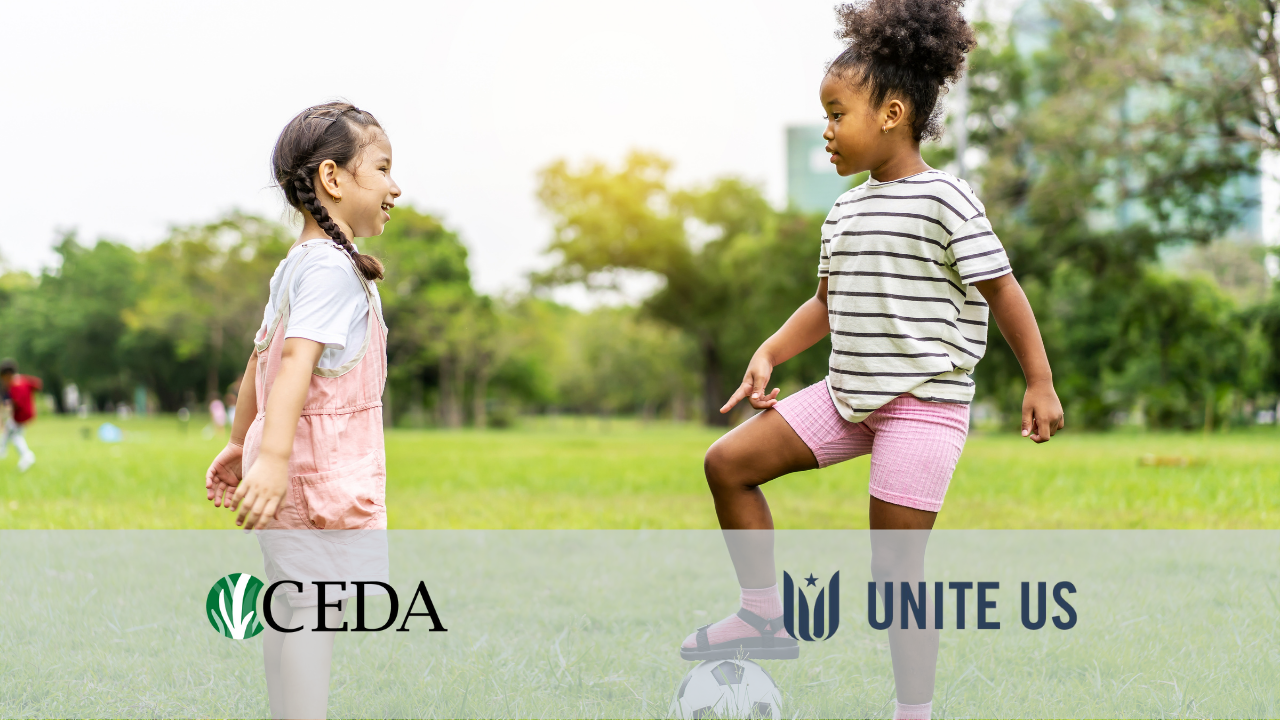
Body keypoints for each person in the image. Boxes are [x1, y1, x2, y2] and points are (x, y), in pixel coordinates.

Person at [678, 2, 1064, 718]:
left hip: (923, 406)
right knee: (726, 464)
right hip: (846, 396)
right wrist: (769, 350)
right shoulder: (844, 213)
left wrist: (1037, 381)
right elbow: (824, 303)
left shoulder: (947, 200)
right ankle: (763, 614)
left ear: (891, 112)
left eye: (835, 113)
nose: (826, 130)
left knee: (895, 571)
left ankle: (911, 712)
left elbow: (1003, 291)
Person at [203, 101, 400, 720]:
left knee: (290, 609)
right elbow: (290, 362)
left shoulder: (298, 264)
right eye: (384, 168)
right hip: (317, 471)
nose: (396, 186)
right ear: (334, 179)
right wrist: (274, 458)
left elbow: (255, 364)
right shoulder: (330, 270)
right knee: (313, 614)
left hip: (291, 466)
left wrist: (242, 445)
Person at [0, 359, 42, 472]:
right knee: (10, 430)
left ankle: (27, 456)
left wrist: (5, 409)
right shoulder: (23, 380)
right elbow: (38, 385)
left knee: (15, 436)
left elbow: (14, 403)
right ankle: (2, 450)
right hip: (29, 414)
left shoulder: (14, 386)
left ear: (7, 375)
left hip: (20, 416)